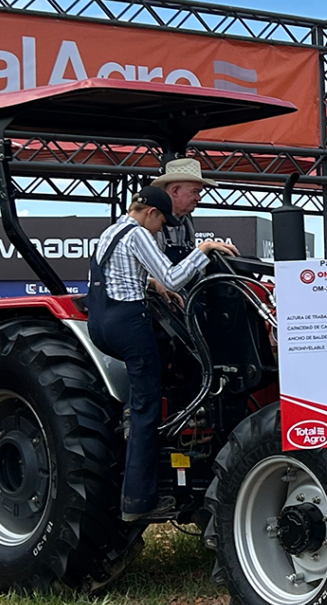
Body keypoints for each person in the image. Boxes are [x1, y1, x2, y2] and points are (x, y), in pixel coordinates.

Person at [86, 186, 238, 523]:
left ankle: (130, 415)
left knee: (142, 394)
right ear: (151, 213)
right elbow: (173, 276)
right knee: (147, 408)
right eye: (161, 222)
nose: (160, 230)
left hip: (101, 325)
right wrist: (204, 249)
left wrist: (151, 285)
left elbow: (116, 277)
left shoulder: (111, 232)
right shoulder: (139, 234)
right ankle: (138, 501)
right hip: (129, 324)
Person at [151, 157, 217, 262]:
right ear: (175, 191)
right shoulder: (152, 220)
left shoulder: (186, 221)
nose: (199, 198)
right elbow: (154, 269)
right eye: (195, 191)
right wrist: (204, 249)